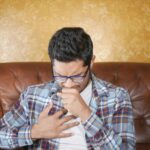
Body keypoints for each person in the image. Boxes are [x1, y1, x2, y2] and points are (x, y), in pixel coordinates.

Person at [0, 27, 136, 149]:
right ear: (52, 63)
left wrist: (86, 114)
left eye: (77, 76)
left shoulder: (117, 97)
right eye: (60, 76)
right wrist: (35, 132)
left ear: (91, 63)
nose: (68, 85)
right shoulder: (32, 95)